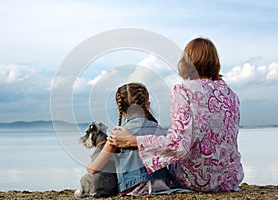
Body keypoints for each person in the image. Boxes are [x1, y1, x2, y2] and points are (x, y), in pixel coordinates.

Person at [108, 38, 244, 192]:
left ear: (187, 61)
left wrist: (133, 141)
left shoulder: (183, 91)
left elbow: (179, 144)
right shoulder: (231, 94)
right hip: (229, 179)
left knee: (158, 159)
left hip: (195, 179)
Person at [87, 82, 171, 196]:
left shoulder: (118, 134)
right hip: (163, 184)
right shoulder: (159, 129)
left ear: (120, 109)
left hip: (132, 186)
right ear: (148, 105)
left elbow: (93, 169)